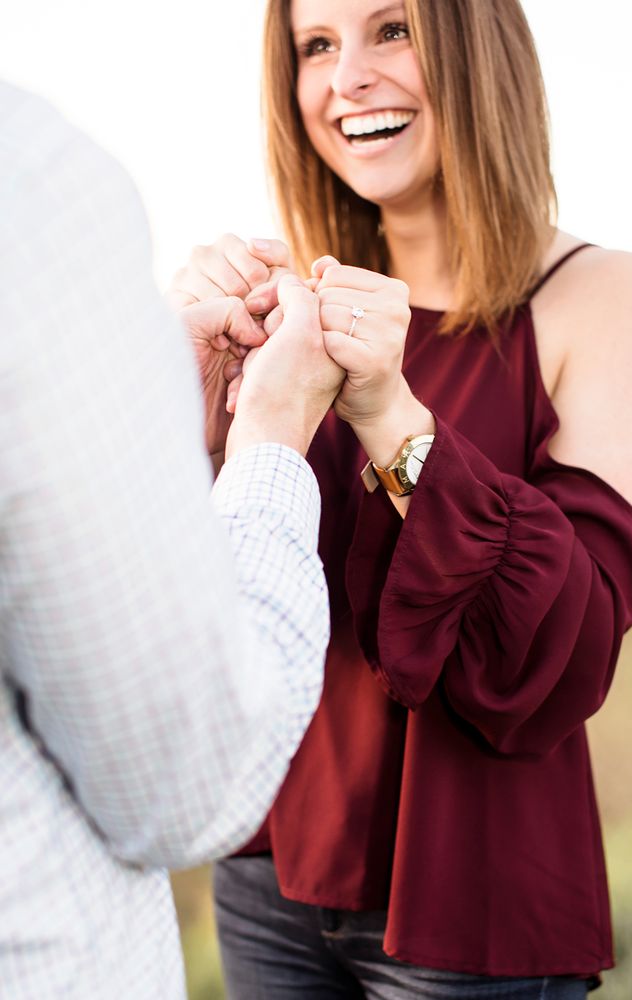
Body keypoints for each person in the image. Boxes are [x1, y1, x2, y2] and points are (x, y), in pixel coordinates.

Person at [171, 0, 632, 996]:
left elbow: (565, 648)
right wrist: (187, 394)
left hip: (470, 899)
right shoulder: (289, 307)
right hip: (269, 861)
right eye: (316, 45)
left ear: (479, 50)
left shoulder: (608, 298)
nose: (346, 76)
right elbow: (185, 589)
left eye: (390, 29)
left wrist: (392, 411)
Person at [0, 79, 345, 999]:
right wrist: (268, 446)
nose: (350, 76)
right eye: (315, 44)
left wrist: (147, 399)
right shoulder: (32, 182)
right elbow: (186, 782)